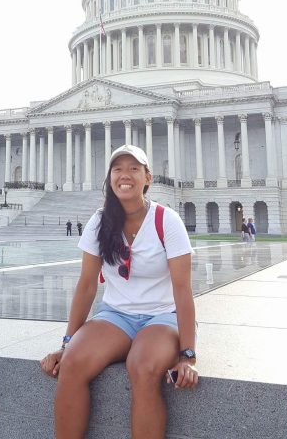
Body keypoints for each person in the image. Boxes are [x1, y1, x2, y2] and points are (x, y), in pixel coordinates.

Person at [41, 144, 198, 439]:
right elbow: (87, 285)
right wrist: (66, 344)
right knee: (72, 364)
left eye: (133, 169)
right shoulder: (100, 222)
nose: (124, 175)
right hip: (115, 316)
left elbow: (182, 290)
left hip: (162, 317)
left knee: (143, 366)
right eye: (118, 169)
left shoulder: (167, 221)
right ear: (110, 177)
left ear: (147, 177)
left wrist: (187, 355)